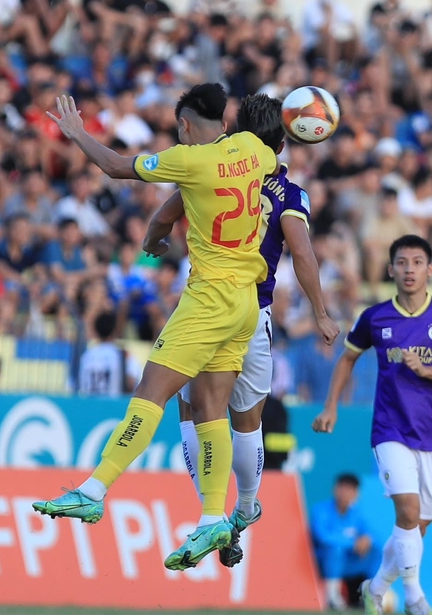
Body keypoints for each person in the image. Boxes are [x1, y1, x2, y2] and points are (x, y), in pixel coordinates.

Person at [32, 84, 278, 571]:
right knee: (210, 408)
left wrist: (78, 133)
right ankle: (213, 515)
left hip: (207, 300)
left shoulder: (189, 160)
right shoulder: (257, 151)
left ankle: (94, 489)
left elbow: (115, 167)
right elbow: (273, 150)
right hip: (246, 303)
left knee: (151, 392)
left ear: (185, 124)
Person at [168, 93, 340, 567]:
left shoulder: (217, 167)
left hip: (204, 308)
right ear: (282, 143)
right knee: (247, 423)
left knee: (193, 412)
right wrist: (321, 313)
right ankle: (244, 508)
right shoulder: (289, 192)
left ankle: (212, 517)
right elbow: (302, 253)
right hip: (254, 316)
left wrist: (154, 235)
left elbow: (169, 207)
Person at [313, 234, 432, 615]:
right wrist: (331, 405)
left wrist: (428, 370)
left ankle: (376, 587)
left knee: (416, 528)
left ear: (430, 270)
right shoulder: (375, 317)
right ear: (390, 270)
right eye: (402, 263)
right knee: (407, 510)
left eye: (417, 262)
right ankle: (415, 599)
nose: (409, 270)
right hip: (390, 429)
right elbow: (347, 359)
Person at [310, 474, 378, 610]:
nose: (345, 494)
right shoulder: (320, 510)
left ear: (356, 493)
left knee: (376, 550)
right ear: (335, 489)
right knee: (335, 550)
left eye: (350, 490)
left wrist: (367, 540)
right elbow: (322, 537)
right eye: (343, 489)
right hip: (322, 561)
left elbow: (369, 534)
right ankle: (332, 595)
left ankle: (372, 594)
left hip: (349, 561)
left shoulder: (357, 512)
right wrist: (353, 543)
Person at [78, 311, 142, 397]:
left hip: (89, 405)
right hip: (112, 406)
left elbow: (76, 385)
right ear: (115, 330)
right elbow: (132, 383)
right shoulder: (122, 355)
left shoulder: (86, 356)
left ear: (96, 330)